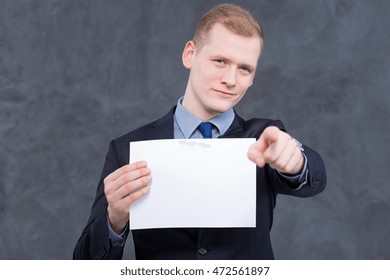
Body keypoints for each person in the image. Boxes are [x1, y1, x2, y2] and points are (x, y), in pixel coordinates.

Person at [73, 3, 326, 260]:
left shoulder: (264, 137)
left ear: (253, 76)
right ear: (189, 55)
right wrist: (114, 219)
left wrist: (297, 162)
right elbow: (85, 264)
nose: (230, 79)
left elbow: (313, 177)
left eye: (244, 69)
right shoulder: (128, 147)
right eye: (220, 61)